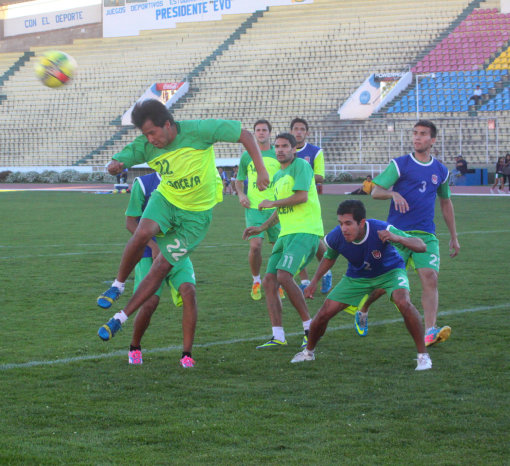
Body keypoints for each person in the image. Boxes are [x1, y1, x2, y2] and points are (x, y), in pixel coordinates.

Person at [96, 99, 269, 367]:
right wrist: (114, 164)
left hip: (196, 217)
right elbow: (121, 158)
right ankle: (117, 285)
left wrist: (261, 169)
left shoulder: (199, 131)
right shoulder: (146, 146)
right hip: (166, 200)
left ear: (168, 124)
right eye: (145, 134)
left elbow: (244, 135)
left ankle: (120, 318)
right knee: (142, 233)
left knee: (163, 266)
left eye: (153, 132)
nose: (150, 139)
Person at [290, 200, 432, 371]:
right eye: (341, 223)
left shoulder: (381, 228)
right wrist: (314, 282)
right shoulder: (337, 236)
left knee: (403, 302)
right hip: (356, 277)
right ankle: (308, 353)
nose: (344, 228)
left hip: (390, 272)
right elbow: (329, 257)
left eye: (348, 223)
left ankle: (423, 356)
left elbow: (421, 246)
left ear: (362, 222)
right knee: (323, 314)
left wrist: (397, 237)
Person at [354, 120, 459, 347]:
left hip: (425, 236)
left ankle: (430, 330)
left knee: (430, 277)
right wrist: (393, 194)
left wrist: (454, 236)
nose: (417, 138)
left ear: (432, 140)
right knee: (385, 284)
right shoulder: (400, 164)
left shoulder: (440, 171)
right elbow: (375, 192)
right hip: (397, 234)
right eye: (415, 133)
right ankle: (363, 308)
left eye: (423, 134)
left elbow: (445, 203)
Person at [98, 171, 197, 367]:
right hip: (147, 254)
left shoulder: (185, 181)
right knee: (150, 303)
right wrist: (153, 246)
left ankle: (187, 354)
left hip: (176, 250)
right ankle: (135, 347)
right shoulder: (143, 184)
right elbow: (130, 222)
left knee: (189, 292)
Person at [242, 133, 323, 350]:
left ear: (294, 149)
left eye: (285, 146)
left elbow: (301, 196)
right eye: (277, 146)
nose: (279, 150)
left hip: (304, 231)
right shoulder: (278, 176)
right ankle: (278, 335)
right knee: (269, 280)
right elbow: (280, 210)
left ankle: (309, 328)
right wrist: (261, 227)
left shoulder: (301, 167)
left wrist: (271, 202)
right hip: (285, 234)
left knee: (284, 276)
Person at [236, 119, 283, 301]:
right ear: (254, 133)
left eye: (264, 130)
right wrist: (241, 195)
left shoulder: (278, 154)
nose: (261, 133)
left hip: (275, 209)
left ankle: (277, 281)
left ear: (270, 133)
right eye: (258, 130)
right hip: (254, 208)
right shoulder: (247, 156)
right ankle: (256, 280)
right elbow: (239, 180)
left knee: (278, 247)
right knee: (255, 246)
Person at [290, 117, 332, 294]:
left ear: (307, 133)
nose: (298, 132)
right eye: (296, 129)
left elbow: (320, 176)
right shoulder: (285, 150)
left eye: (302, 129)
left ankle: (327, 272)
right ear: (291, 131)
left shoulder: (315, 151)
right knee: (293, 239)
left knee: (314, 241)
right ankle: (305, 280)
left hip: (309, 202)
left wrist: (298, 179)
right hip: (289, 201)